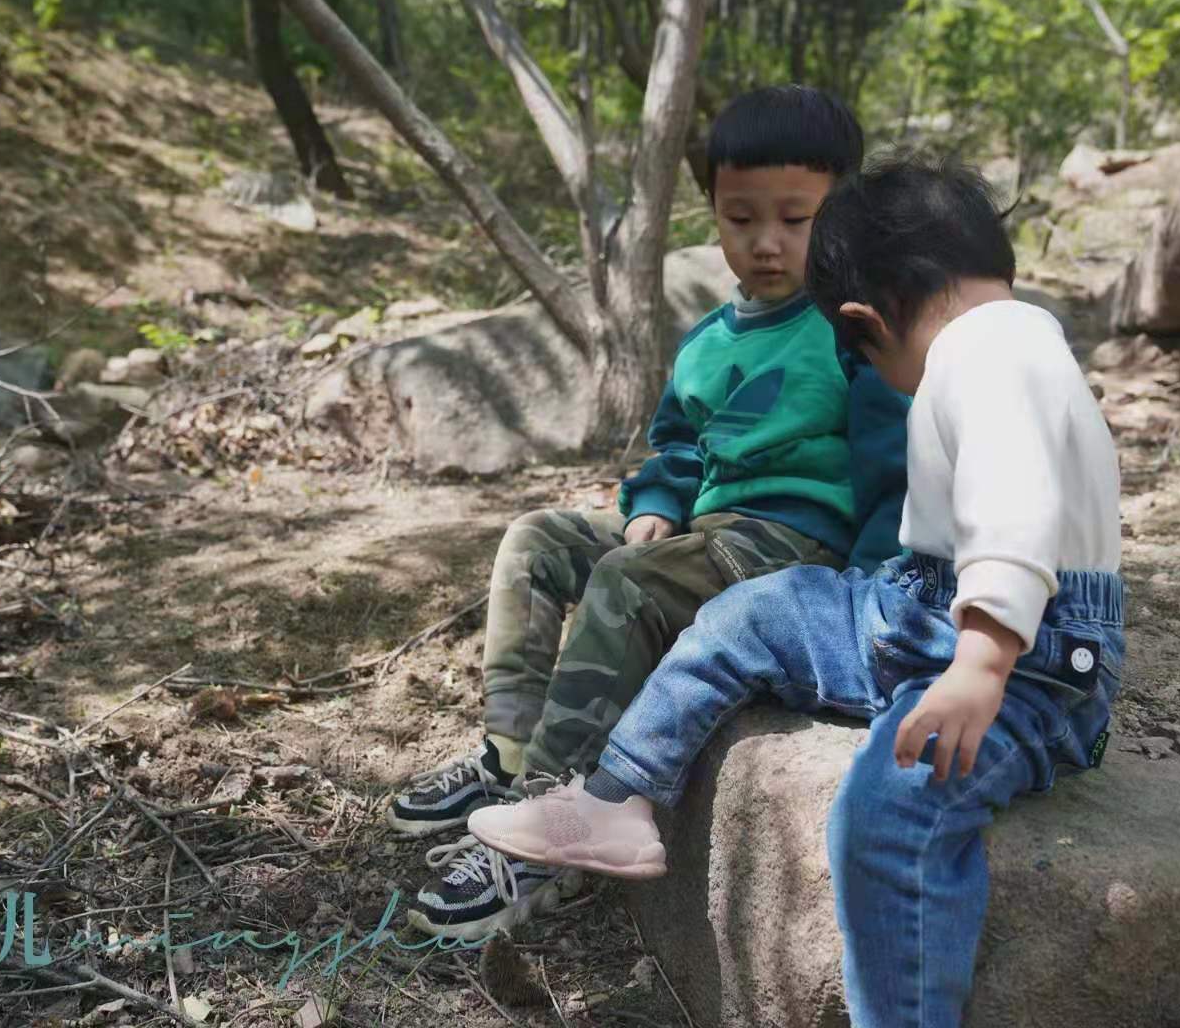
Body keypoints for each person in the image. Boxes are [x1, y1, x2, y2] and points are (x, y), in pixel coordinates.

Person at [466, 154, 1125, 1028]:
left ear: (864, 322)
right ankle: (617, 798)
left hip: (1029, 657)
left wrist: (981, 660)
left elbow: (1016, 503)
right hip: (918, 605)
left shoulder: (994, 352)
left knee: (889, 814)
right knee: (752, 611)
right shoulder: (1009, 341)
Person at [390, 85, 911, 941]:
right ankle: (511, 753)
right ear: (714, 214)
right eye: (742, 219)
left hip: (792, 547)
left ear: (842, 212)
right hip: (703, 535)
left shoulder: (850, 327)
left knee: (629, 585)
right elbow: (675, 446)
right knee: (539, 539)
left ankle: (545, 830)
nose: (768, 242)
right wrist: (657, 503)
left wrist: (882, 585)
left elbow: (896, 458)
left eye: (796, 218)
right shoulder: (708, 338)